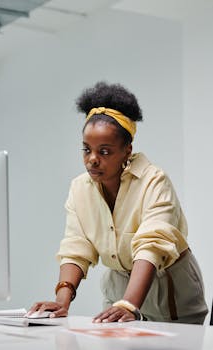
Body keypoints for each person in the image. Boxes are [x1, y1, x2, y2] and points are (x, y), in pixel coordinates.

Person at [28, 81, 208, 324]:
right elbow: (76, 247)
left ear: (127, 150)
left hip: (169, 292)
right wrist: (62, 301)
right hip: (119, 293)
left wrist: (129, 303)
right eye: (86, 149)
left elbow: (151, 246)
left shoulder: (154, 181)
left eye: (104, 151)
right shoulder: (80, 189)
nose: (92, 160)